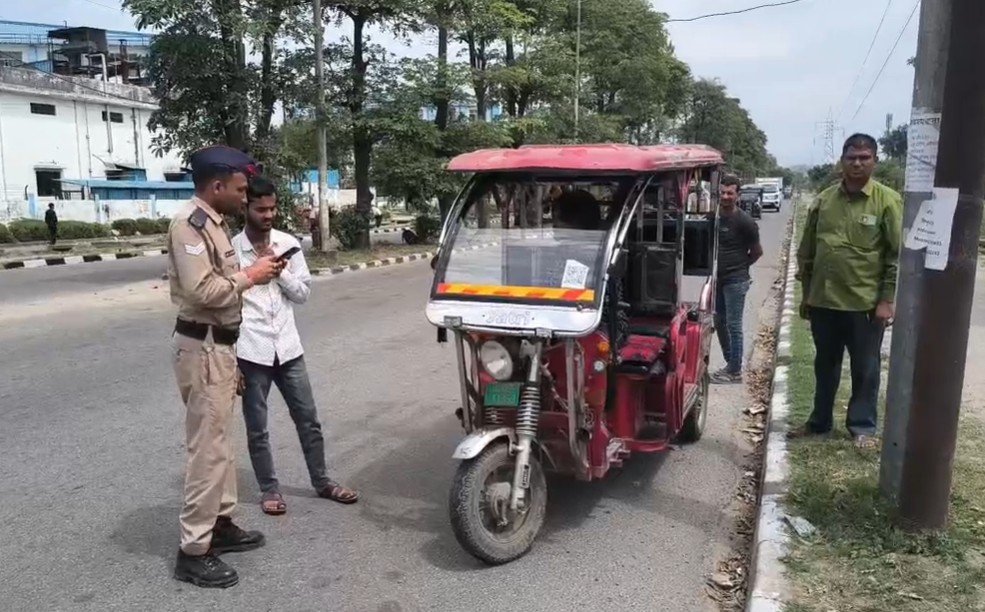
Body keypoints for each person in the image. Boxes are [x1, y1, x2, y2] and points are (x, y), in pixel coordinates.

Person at [167, 145, 285, 588]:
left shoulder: (215, 225)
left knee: (222, 445)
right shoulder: (190, 227)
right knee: (207, 450)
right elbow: (201, 292)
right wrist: (249, 277)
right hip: (202, 348)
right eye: (238, 189)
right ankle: (194, 549)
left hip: (220, 347)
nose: (243, 196)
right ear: (216, 186)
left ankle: (221, 523)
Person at [233, 176, 359, 515]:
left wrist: (280, 272)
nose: (268, 214)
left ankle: (323, 482)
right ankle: (269, 490)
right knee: (257, 428)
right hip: (251, 350)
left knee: (308, 419)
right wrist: (232, 361)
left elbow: (303, 294)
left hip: (288, 349)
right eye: (261, 209)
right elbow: (226, 305)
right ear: (246, 207)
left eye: (272, 208)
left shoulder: (288, 244)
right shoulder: (231, 251)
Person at [792, 133, 901, 450]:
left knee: (865, 369)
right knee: (824, 365)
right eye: (851, 157)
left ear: (874, 162)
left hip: (864, 305)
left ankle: (862, 427)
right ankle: (819, 422)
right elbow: (807, 252)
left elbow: (895, 256)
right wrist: (807, 295)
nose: (857, 163)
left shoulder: (887, 201)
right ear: (842, 160)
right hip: (824, 301)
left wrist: (886, 300)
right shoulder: (824, 200)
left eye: (864, 158)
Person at [712, 175, 763, 384]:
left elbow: (757, 252)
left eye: (730, 193)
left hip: (736, 281)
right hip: (718, 279)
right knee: (719, 321)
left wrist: (740, 267)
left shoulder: (745, 221)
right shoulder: (714, 217)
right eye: (722, 192)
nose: (725, 196)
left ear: (738, 195)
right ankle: (731, 363)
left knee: (733, 325)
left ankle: (734, 372)